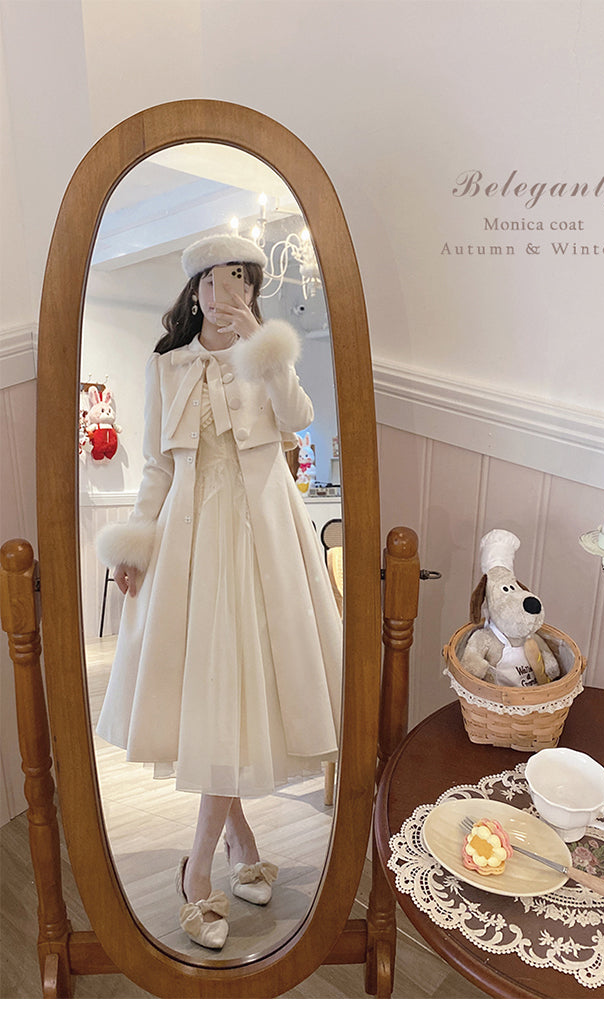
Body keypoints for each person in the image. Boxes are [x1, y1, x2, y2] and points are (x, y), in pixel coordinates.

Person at [96, 233, 342, 950]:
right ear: (196, 289)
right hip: (192, 541)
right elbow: (156, 467)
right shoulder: (166, 364)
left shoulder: (265, 354)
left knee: (244, 694)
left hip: (266, 537)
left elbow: (299, 418)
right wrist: (134, 545)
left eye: (240, 278)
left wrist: (264, 343)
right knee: (212, 699)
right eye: (213, 279)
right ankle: (219, 856)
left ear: (251, 290)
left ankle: (204, 863)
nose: (224, 291)